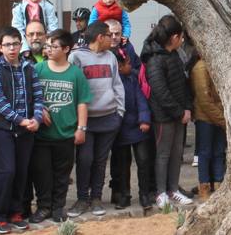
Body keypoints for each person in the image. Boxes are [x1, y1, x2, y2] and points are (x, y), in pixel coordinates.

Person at [0, 27, 44, 234]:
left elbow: (38, 96)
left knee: (21, 172)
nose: (12, 48)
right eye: (7, 45)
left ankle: (16, 213)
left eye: (15, 44)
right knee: (7, 171)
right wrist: (20, 120)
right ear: (0, 47)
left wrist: (37, 118)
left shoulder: (29, 68)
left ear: (21, 45)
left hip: (27, 130)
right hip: (5, 129)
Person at [32, 29, 88, 223]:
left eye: (54, 46)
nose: (49, 49)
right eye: (47, 45)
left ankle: (58, 207)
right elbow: (30, 97)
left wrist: (81, 128)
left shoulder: (75, 73)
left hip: (65, 134)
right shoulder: (38, 70)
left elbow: (82, 102)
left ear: (66, 49)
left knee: (62, 174)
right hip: (42, 135)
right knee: (42, 173)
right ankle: (43, 207)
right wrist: (39, 110)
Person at [72, 23, 125, 217]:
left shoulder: (110, 57)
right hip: (86, 121)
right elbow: (73, 87)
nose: (112, 38)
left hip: (109, 118)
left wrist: (120, 112)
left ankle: (96, 198)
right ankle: (81, 198)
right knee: (85, 159)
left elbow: (117, 85)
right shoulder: (76, 57)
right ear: (99, 37)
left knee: (101, 161)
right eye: (108, 35)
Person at [142, 16, 194, 208]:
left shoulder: (175, 55)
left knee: (176, 153)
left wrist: (187, 108)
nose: (182, 40)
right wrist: (179, 112)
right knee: (163, 154)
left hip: (180, 114)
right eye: (180, 36)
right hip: (164, 116)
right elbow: (160, 91)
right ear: (173, 37)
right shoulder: (155, 59)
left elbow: (183, 84)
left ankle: (173, 189)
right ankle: (161, 191)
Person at [110, 45, 155, 213]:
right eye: (128, 63)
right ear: (119, 66)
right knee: (122, 164)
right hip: (120, 129)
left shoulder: (134, 79)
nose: (131, 65)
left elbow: (142, 100)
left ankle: (144, 194)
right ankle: (124, 194)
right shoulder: (113, 82)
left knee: (143, 161)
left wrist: (144, 119)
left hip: (138, 128)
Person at [189, 51, 226, 202]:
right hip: (206, 117)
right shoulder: (200, 68)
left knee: (219, 151)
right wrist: (222, 119)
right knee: (205, 152)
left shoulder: (215, 66)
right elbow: (204, 99)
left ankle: (218, 183)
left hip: (218, 115)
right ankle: (203, 186)